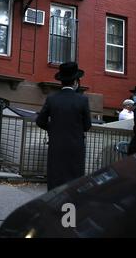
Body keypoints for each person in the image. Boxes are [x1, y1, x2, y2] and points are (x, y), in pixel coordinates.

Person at [36, 62, 92, 191]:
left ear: (61, 81)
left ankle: (55, 207)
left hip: (56, 145)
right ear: (75, 82)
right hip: (75, 146)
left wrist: (54, 128)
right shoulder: (82, 100)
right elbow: (87, 125)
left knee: (55, 177)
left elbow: (40, 121)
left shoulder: (52, 99)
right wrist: (75, 129)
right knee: (74, 179)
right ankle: (70, 208)